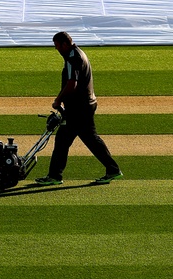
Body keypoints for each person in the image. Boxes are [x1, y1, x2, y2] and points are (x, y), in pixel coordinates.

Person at [35, 32, 122, 186]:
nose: (56, 49)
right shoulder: (79, 53)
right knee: (86, 139)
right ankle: (112, 169)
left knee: (66, 140)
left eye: (57, 46)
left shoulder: (72, 58)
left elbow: (71, 84)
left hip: (79, 108)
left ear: (64, 44)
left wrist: (58, 100)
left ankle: (55, 176)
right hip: (86, 105)